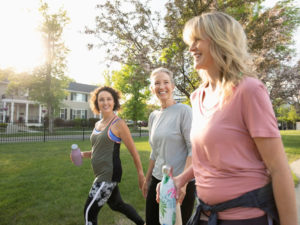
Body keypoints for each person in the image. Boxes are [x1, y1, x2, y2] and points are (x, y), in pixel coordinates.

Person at [161, 11, 298, 225]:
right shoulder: (198, 96)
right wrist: (182, 179)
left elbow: (279, 168)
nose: (191, 48)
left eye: (197, 40)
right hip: (206, 215)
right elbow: (208, 158)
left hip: (246, 218)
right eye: (190, 41)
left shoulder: (249, 90)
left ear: (220, 40)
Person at [79, 86, 145, 225]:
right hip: (101, 174)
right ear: (97, 103)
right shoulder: (97, 124)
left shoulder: (118, 124)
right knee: (117, 205)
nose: (105, 102)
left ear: (114, 102)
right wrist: (83, 154)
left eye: (109, 99)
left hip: (108, 175)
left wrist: (140, 174)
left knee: (89, 212)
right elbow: (98, 151)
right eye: (101, 99)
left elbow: (134, 152)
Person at [142, 67, 196, 225]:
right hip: (157, 181)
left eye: (166, 82)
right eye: (157, 83)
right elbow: (155, 152)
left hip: (179, 183)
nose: (161, 86)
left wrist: (184, 184)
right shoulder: (153, 116)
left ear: (172, 86)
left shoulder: (184, 111)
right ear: (152, 89)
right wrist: (147, 180)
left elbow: (194, 149)